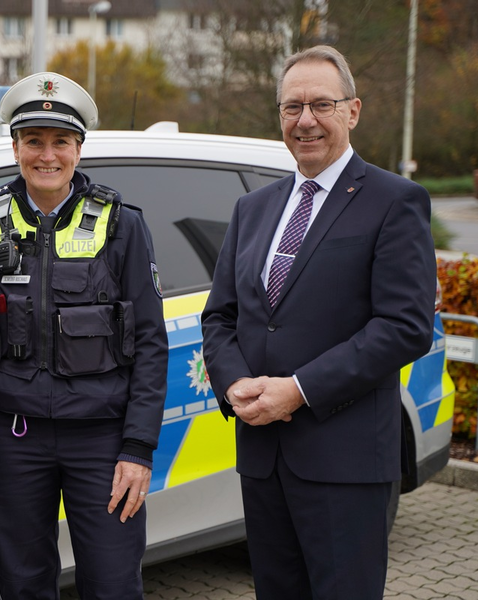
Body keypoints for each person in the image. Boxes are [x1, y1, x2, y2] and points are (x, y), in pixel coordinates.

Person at [201, 45, 437, 600]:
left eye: (320, 104)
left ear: (352, 111)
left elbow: (405, 326)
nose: (304, 120)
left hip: (345, 464)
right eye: (291, 107)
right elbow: (220, 316)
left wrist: (299, 391)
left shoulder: (394, 200)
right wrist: (234, 383)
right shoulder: (252, 209)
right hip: (263, 460)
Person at [0, 72, 168, 599]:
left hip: (102, 440)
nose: (47, 155)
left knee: (113, 585)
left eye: (60, 142)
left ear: (78, 148)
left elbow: (151, 345)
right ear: (16, 146)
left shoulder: (122, 226)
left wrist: (137, 449)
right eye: (33, 141)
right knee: (22, 586)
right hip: (11, 439)